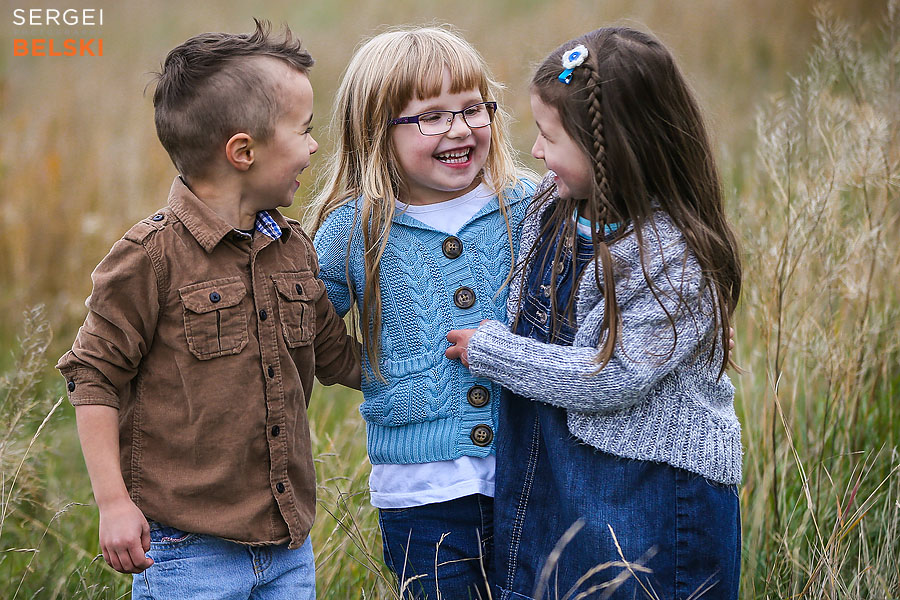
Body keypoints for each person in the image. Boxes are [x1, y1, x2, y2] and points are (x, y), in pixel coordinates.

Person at [56, 21, 360, 600]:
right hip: (185, 554)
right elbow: (93, 376)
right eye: (304, 130)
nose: (315, 146)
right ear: (243, 151)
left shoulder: (293, 249)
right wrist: (114, 503)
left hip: (288, 548)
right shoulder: (151, 258)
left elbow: (342, 359)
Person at [446, 27, 743, 600]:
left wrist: (493, 352)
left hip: (650, 491)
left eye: (549, 137)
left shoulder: (673, 256)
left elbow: (613, 377)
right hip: (557, 471)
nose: (535, 152)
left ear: (615, 150)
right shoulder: (553, 208)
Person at [308, 26, 536, 599]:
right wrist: (369, 371)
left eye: (473, 108)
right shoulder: (354, 228)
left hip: (534, 473)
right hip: (420, 491)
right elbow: (300, 324)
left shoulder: (531, 203)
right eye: (430, 117)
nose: (459, 129)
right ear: (376, 132)